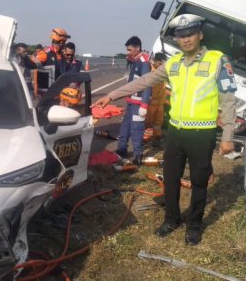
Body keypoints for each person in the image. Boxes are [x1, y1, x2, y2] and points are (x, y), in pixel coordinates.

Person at [92, 14, 237, 246]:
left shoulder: (217, 60)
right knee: (170, 179)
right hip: (176, 133)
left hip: (203, 134)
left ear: (200, 35)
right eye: (181, 36)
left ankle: (194, 225)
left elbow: (229, 101)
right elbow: (144, 81)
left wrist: (228, 136)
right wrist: (112, 95)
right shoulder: (174, 63)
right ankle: (171, 219)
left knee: (199, 182)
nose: (186, 40)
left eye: (190, 34)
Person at [115, 36, 151, 165]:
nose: (128, 52)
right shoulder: (134, 61)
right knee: (125, 126)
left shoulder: (143, 62)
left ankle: (137, 155)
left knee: (136, 129)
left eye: (130, 50)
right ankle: (122, 149)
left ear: (137, 48)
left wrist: (144, 104)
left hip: (138, 104)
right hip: (131, 102)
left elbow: (147, 84)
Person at [145, 52, 167, 148]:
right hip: (150, 103)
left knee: (158, 123)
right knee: (146, 122)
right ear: (156, 62)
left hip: (160, 102)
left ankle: (156, 139)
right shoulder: (149, 71)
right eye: (160, 64)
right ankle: (140, 141)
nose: (162, 66)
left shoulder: (163, 72)